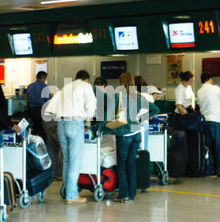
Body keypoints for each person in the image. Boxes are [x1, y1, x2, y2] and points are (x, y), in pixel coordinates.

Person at [45, 70, 97, 204]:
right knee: (75, 161)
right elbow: (91, 105)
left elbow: (53, 104)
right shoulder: (86, 86)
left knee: (66, 160)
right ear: (87, 79)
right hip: (74, 123)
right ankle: (72, 195)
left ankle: (67, 190)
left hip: (61, 123)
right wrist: (88, 122)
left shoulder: (66, 86)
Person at [108, 72, 159, 203]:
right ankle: (131, 195)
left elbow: (108, 116)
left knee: (122, 165)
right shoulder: (138, 96)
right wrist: (140, 119)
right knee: (131, 164)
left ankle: (123, 195)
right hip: (136, 134)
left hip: (124, 134)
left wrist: (99, 128)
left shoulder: (118, 96)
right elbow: (155, 110)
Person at [196, 72, 220, 177]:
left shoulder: (199, 91)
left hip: (204, 121)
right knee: (219, 146)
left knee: (207, 147)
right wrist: (218, 102)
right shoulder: (215, 88)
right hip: (216, 120)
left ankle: (208, 169)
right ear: (210, 79)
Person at [26, 71, 51, 141]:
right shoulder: (44, 86)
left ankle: (34, 143)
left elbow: (27, 99)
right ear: (43, 78)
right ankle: (42, 144)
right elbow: (48, 100)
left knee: (35, 127)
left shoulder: (30, 86)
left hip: (31, 110)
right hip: (41, 110)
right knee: (42, 129)